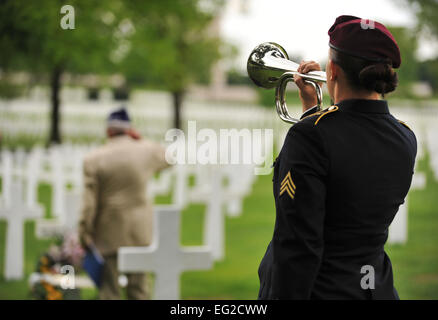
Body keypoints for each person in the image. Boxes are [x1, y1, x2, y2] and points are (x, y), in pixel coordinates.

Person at [258, 15, 417, 300]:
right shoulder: (405, 137)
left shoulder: (310, 136)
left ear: (332, 70)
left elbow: (297, 246)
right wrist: (312, 111)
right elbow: (351, 147)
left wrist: (312, 120)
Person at [79, 107, 170, 300]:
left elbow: (89, 203)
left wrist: (84, 232)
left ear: (108, 130)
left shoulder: (93, 159)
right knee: (139, 289)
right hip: (139, 230)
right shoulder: (145, 151)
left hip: (108, 230)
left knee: (110, 289)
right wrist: (140, 139)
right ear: (129, 129)